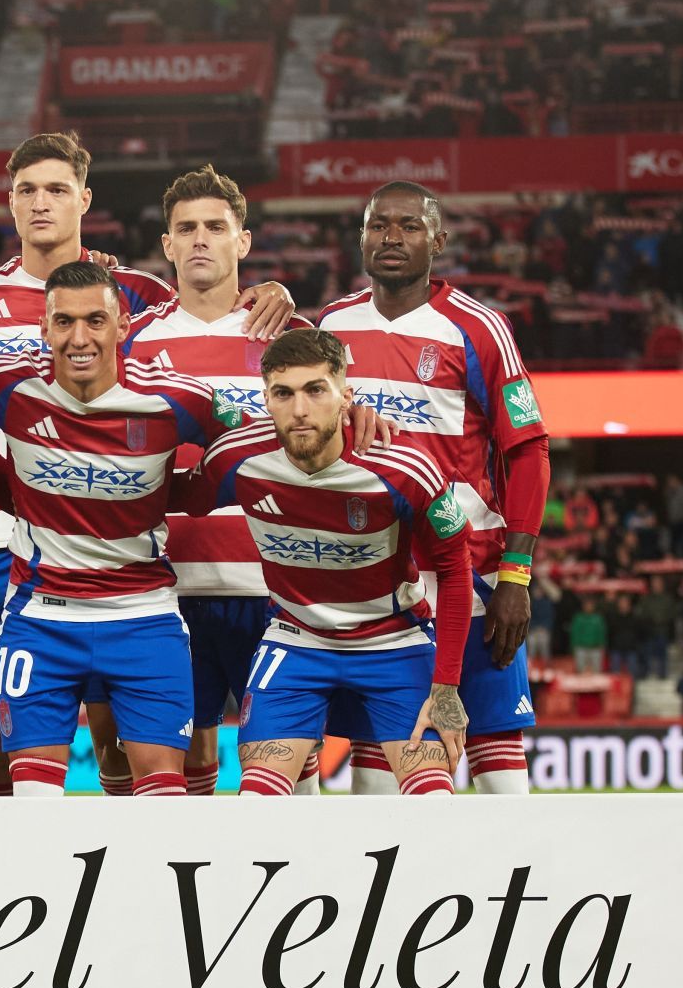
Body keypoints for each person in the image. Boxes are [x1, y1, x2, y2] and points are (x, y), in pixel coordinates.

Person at [0, 132, 294, 798]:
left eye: (56, 189)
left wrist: (264, 294)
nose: (41, 203)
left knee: (119, 734)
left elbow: (205, 315)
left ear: (84, 200)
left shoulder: (139, 296)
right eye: (27, 190)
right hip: (11, 540)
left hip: (126, 553)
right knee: (0, 739)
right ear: (9, 201)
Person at [0, 259, 234, 796]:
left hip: (144, 617)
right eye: (63, 322)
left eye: (95, 320)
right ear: (44, 328)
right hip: (42, 617)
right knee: (34, 803)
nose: (79, 337)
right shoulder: (6, 385)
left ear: (123, 327)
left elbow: (255, 440)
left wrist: (351, 419)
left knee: (164, 800)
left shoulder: (176, 398)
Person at [321, 181, 550, 795]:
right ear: (361, 237)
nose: (391, 237)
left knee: (495, 754)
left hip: (468, 571)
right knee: (379, 758)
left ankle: (520, 888)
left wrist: (516, 576)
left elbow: (527, 452)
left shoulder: (479, 329)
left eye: (409, 226)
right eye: (378, 225)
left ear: (438, 241)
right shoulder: (331, 328)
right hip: (371, 578)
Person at [176, 328, 471, 796]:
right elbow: (173, 496)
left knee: (432, 804)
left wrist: (447, 688)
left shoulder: (404, 467)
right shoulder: (237, 457)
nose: (299, 410)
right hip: (296, 641)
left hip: (393, 643)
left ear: (345, 396)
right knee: (258, 801)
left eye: (316, 390)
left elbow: (456, 569)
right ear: (266, 399)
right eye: (283, 394)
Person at [122, 164, 319, 797]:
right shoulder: (134, 345)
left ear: (244, 241)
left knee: (293, 770)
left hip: (276, 585)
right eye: (186, 228)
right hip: (168, 590)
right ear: (167, 246)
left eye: (216, 226)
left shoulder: (294, 339)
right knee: (185, 774)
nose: (200, 239)